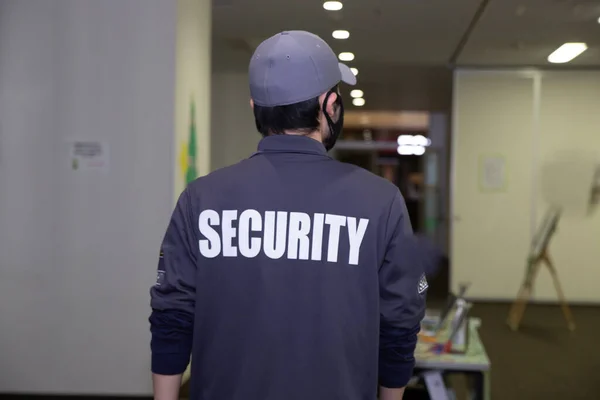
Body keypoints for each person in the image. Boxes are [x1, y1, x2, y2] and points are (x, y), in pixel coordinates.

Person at [149, 30, 431, 400]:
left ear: (256, 108)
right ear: (330, 105)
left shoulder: (201, 199)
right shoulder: (381, 201)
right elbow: (400, 321)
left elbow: (172, 315)